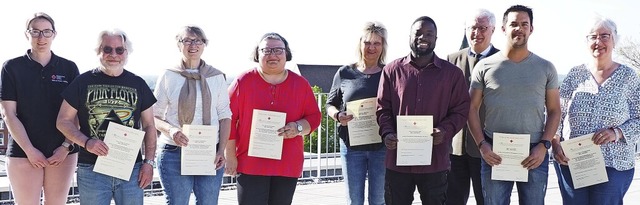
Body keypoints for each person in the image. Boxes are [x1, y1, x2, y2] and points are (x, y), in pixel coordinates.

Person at [467, 5, 561, 205]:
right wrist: (482, 145)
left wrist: (544, 146)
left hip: (534, 152)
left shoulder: (546, 67)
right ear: (503, 28)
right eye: (513, 24)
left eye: (524, 24)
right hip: (495, 151)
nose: (519, 28)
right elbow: (471, 109)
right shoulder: (484, 67)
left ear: (531, 29)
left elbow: (554, 111)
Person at [56, 29, 157, 205]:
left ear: (126, 53)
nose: (114, 55)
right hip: (91, 168)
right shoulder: (82, 82)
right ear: (98, 51)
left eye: (119, 50)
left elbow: (149, 126)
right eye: (107, 49)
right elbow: (63, 121)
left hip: (131, 169)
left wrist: (149, 162)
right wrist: (87, 142)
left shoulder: (138, 83)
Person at [376, 16, 470, 205]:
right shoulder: (392, 70)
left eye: (429, 34)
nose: (423, 37)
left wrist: (445, 130)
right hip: (398, 161)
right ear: (409, 36)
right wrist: (387, 133)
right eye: (418, 33)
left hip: (435, 161)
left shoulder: (452, 74)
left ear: (436, 38)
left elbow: (460, 110)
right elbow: (382, 108)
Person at [552, 15, 640, 205]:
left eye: (604, 36)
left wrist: (616, 132)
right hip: (574, 160)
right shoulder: (576, 74)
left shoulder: (628, 77)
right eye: (593, 37)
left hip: (614, 163)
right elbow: (558, 112)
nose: (598, 41)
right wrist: (555, 142)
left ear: (614, 40)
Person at [225, 32, 322, 205]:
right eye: (266, 50)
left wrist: (298, 127)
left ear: (287, 54)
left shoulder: (300, 84)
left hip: (287, 164)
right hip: (250, 163)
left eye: (278, 50)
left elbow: (314, 117)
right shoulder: (243, 81)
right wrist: (230, 156)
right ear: (257, 54)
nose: (273, 55)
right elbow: (228, 120)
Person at [0, 12, 79, 205]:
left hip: (62, 152)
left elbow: (76, 114)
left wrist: (65, 147)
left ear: (54, 34)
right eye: (35, 32)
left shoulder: (68, 68)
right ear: (27, 34)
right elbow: (8, 114)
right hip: (23, 151)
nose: (41, 37)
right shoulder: (11, 67)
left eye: (46, 32)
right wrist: (30, 150)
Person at [153, 25, 231, 205]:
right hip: (174, 152)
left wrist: (221, 151)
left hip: (209, 152)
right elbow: (154, 116)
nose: (192, 45)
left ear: (204, 44)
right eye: (186, 40)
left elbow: (225, 116)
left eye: (197, 40)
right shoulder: (168, 75)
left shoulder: (216, 77)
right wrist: (172, 130)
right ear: (178, 45)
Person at [326, 21, 387, 205]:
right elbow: (330, 104)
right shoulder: (345, 73)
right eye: (367, 42)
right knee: (354, 200)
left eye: (377, 43)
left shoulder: (390, 72)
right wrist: (337, 116)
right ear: (360, 44)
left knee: (378, 200)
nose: (371, 47)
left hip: (381, 147)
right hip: (351, 147)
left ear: (383, 46)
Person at [445, 9, 499, 205]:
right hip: (455, 147)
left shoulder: (503, 60)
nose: (477, 33)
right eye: (472, 28)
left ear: (493, 30)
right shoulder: (451, 60)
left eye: (482, 28)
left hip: (488, 147)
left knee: (487, 200)